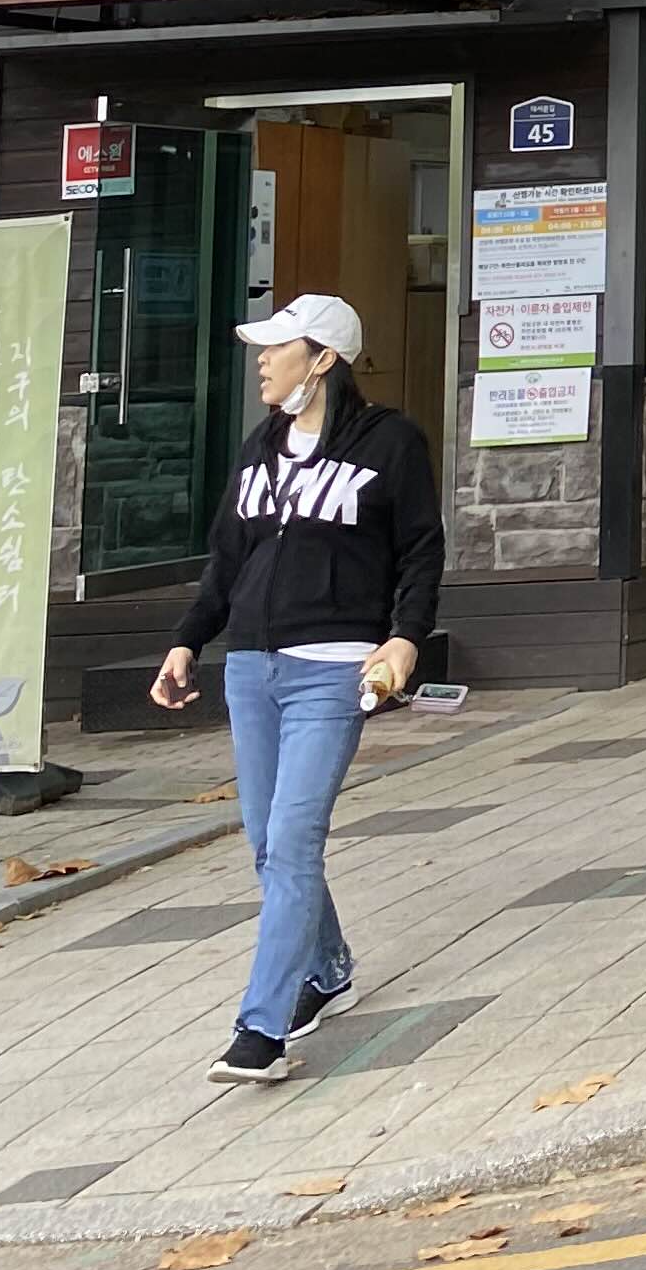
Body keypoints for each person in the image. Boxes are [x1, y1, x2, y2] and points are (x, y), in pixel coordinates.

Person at [147, 293, 441, 1086]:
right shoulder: (260, 446)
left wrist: (406, 637)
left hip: (334, 670)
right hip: (252, 667)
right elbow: (227, 560)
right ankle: (330, 967)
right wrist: (187, 640)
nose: (263, 361)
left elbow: (421, 548)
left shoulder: (390, 442)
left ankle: (261, 1029)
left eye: (279, 348)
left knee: (293, 840)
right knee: (266, 843)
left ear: (324, 360)